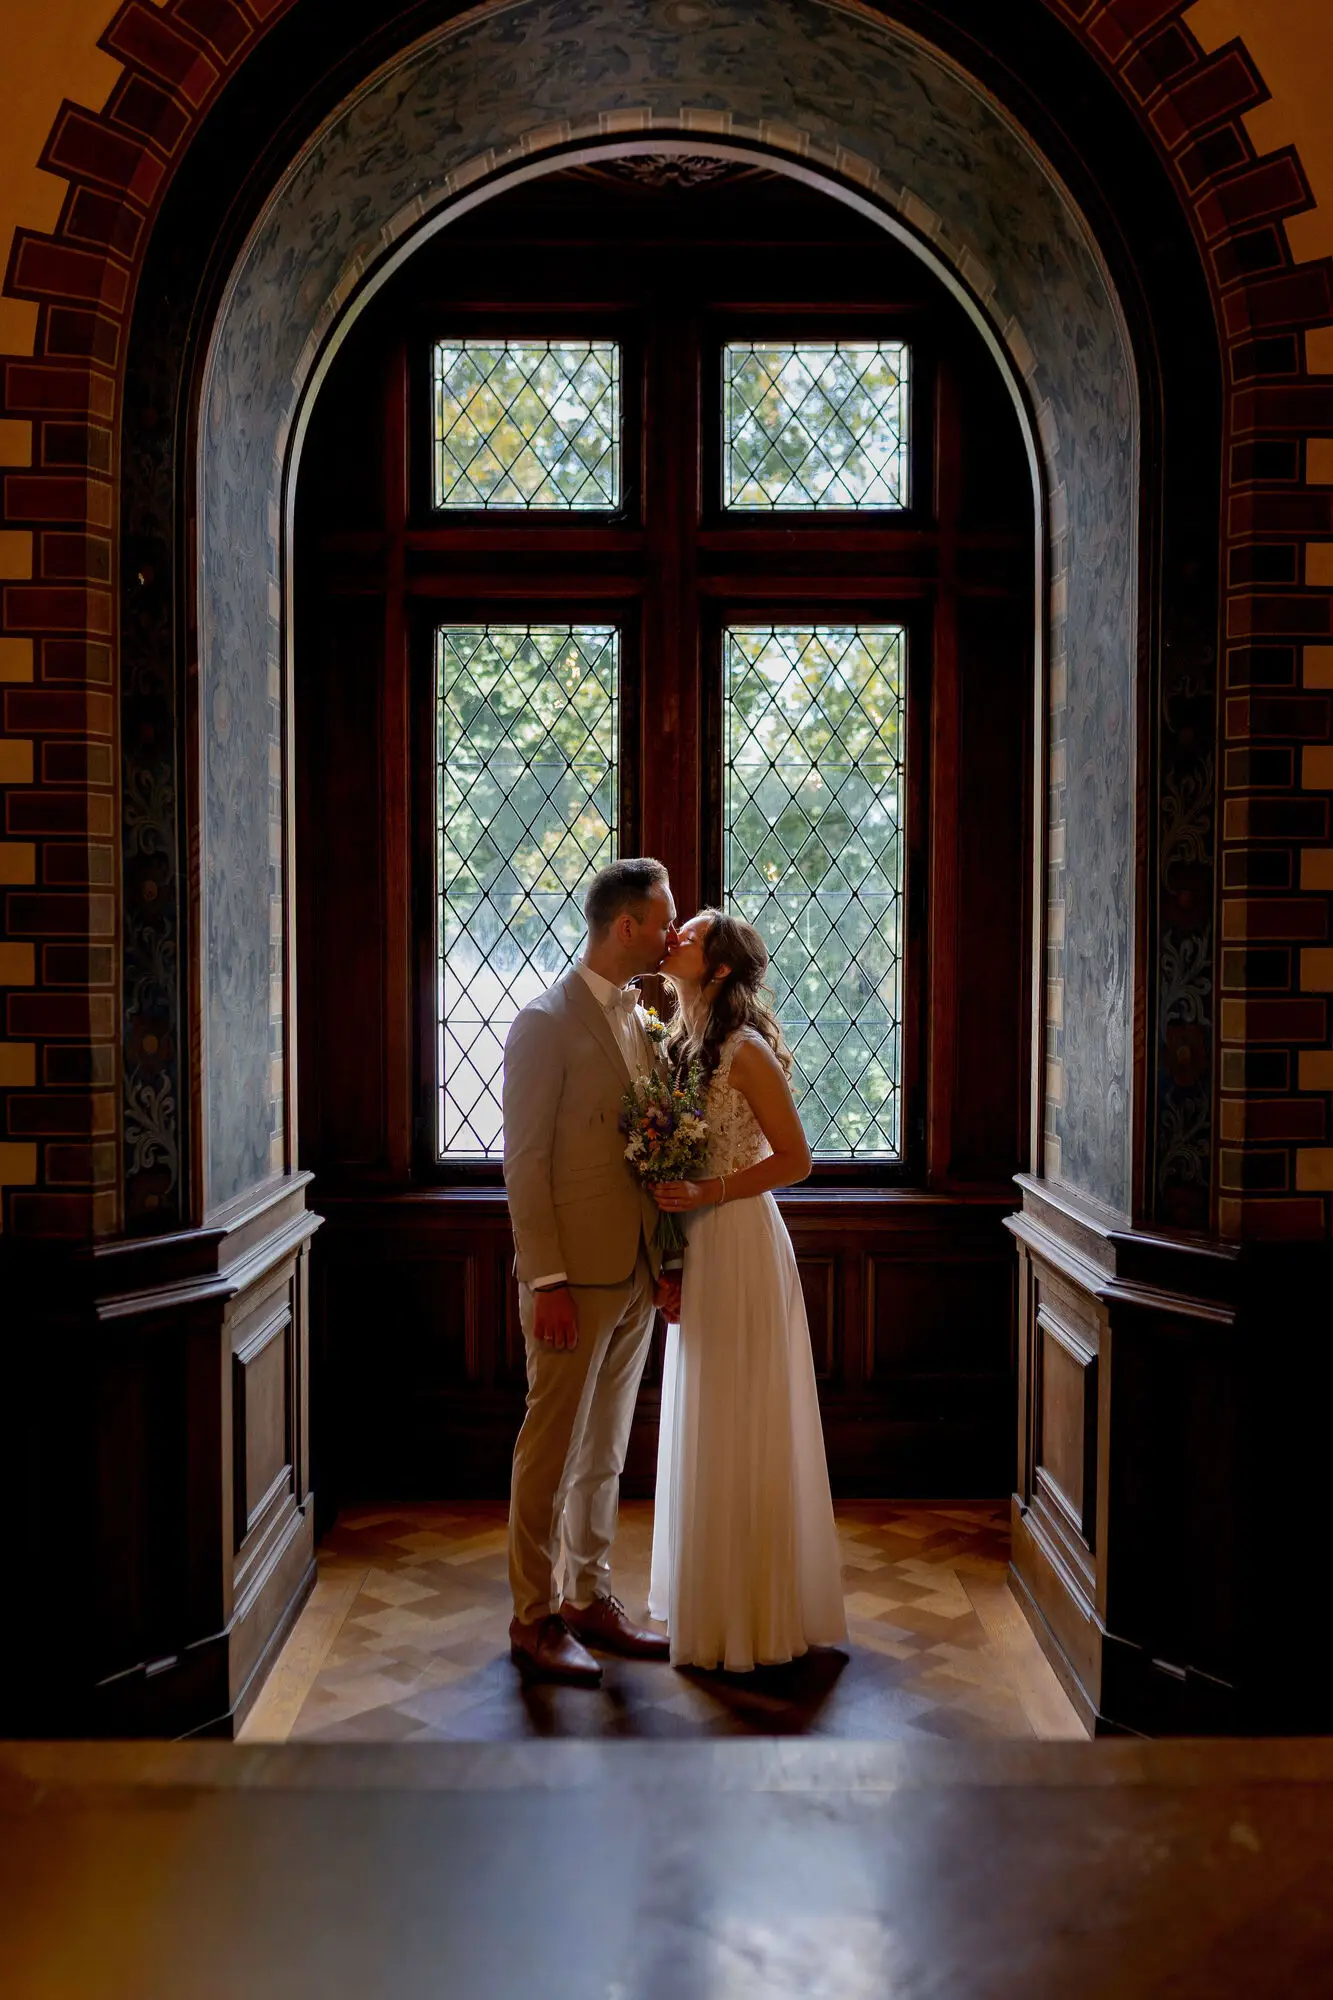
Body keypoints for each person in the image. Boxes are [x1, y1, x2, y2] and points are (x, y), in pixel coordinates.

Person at [648, 909, 848, 1671]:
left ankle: (754, 1618)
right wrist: (671, 1261)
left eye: (692, 935)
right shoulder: (680, 1045)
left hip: (740, 1240)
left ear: (721, 967)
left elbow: (796, 1160)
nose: (675, 937)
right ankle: (709, 1605)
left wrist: (711, 1191)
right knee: (707, 1416)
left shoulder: (744, 1050)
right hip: (698, 1243)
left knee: (741, 1416)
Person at [502, 857, 682, 1686]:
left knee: (605, 1449)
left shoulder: (639, 1018)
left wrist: (666, 1260)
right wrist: (545, 1282)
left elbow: (650, 1152)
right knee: (550, 1452)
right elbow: (524, 1164)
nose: (670, 933)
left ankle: (587, 1596)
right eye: (662, 920)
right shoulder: (544, 1023)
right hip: (570, 1282)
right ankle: (532, 1616)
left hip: (636, 1271)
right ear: (626, 927)